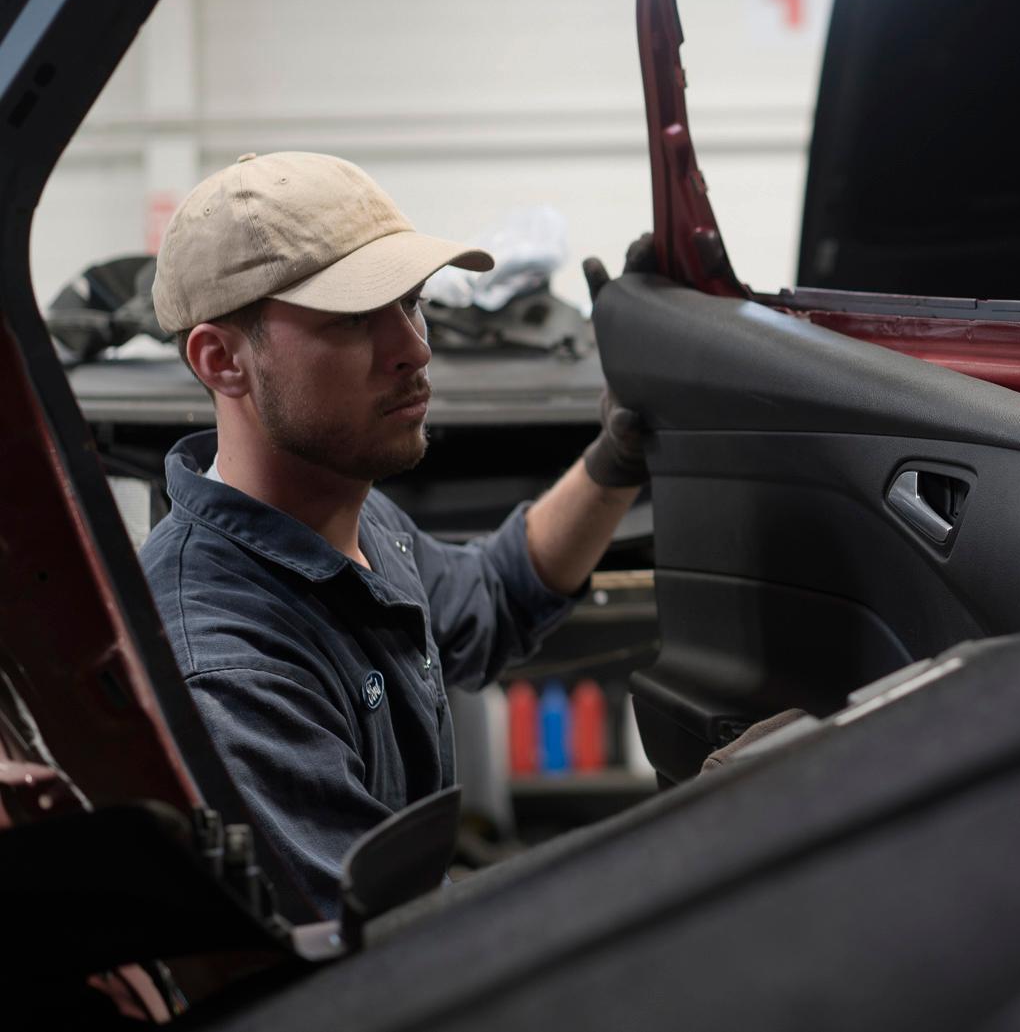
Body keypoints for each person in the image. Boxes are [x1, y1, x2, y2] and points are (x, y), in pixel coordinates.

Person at [140, 150, 648, 917]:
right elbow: (386, 953)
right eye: (353, 318)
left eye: (411, 302)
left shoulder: (347, 512)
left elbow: (492, 594)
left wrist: (619, 455)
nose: (414, 347)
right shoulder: (224, 666)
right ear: (223, 360)